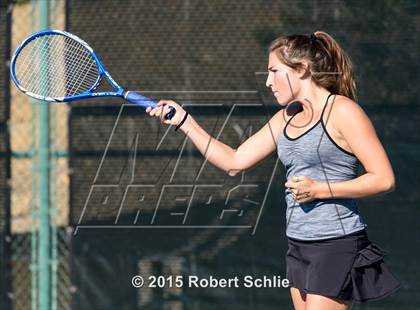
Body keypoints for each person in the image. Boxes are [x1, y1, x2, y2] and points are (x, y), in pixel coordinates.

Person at [145, 31, 401, 309]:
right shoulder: (286, 117)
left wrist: (320, 190)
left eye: (274, 71)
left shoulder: (343, 111)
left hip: (336, 242)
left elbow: (383, 179)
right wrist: (185, 121)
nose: (268, 82)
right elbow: (235, 162)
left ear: (302, 69)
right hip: (298, 243)